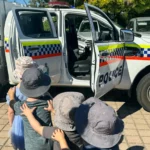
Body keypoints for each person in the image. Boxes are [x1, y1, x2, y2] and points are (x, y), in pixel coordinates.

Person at [8, 92, 85, 150]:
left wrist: (29, 115)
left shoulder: (56, 132)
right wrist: (52, 111)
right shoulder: (83, 131)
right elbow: (67, 119)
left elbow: (37, 127)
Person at [7, 67, 53, 150]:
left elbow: (12, 104)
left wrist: (11, 96)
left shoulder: (22, 107)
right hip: (48, 143)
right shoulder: (48, 102)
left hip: (31, 146)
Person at [6, 56, 37, 150]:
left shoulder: (13, 91)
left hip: (20, 122)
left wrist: (12, 124)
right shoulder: (37, 89)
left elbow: (11, 111)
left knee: (22, 145)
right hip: (35, 118)